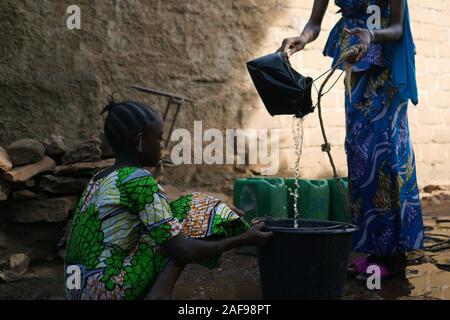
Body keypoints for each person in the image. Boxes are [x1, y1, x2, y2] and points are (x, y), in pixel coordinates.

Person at [64, 99, 273, 300]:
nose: (162, 147)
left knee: (176, 217)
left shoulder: (99, 178)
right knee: (197, 207)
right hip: (105, 290)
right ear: (140, 140)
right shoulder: (138, 180)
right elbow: (182, 251)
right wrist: (243, 239)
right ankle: (159, 295)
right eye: (160, 139)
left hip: (77, 289)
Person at [279, 0, 423, 279]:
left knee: (385, 155)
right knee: (359, 154)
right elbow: (314, 24)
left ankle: (394, 256)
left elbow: (396, 27)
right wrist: (302, 38)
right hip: (355, 67)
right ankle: (373, 250)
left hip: (385, 68)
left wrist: (372, 35)